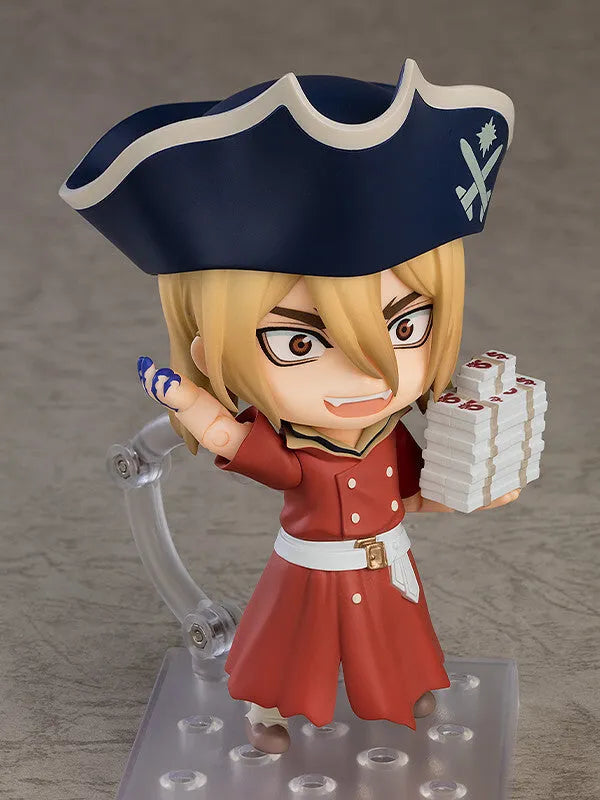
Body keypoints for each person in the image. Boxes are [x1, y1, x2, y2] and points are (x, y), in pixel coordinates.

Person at [60, 59, 516, 754]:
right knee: (288, 646)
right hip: (308, 571)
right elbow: (233, 440)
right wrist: (188, 400)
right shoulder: (300, 450)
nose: (367, 372)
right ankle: (267, 710)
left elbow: (415, 491)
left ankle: (404, 685)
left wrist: (472, 489)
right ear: (214, 348)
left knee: (396, 633)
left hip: (384, 564)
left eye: (406, 327)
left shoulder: (389, 437)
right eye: (299, 342)